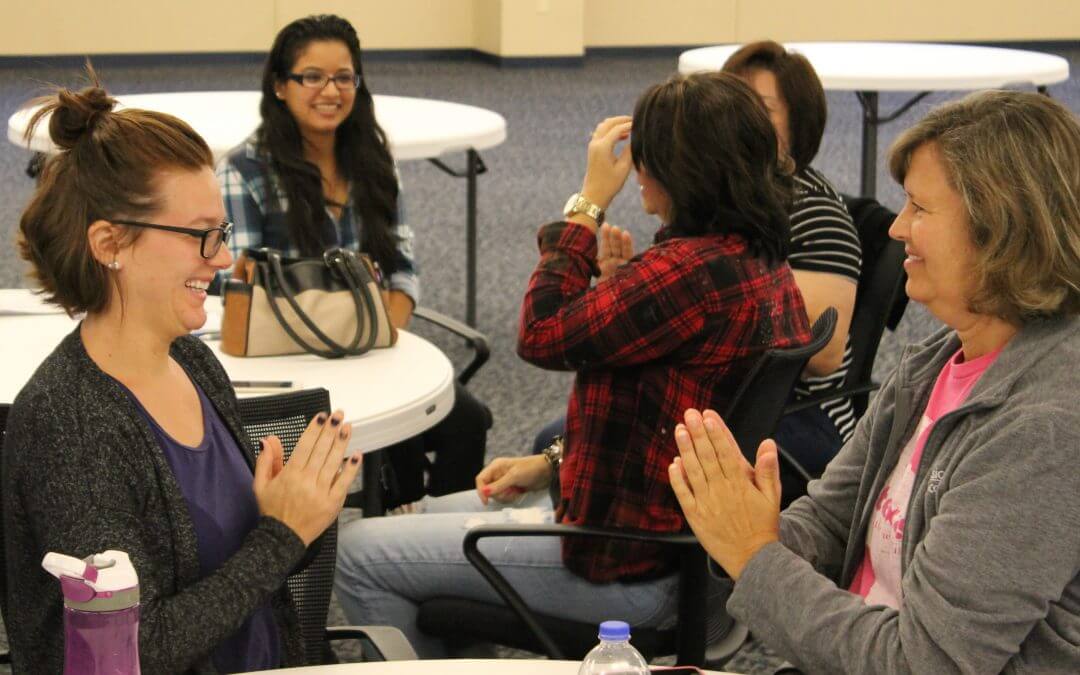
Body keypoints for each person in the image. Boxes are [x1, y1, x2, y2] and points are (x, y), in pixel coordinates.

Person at [335, 71, 812, 657]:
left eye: (646, 157)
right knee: (425, 513)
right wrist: (550, 461)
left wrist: (586, 204)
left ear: (679, 169)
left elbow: (540, 333)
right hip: (675, 548)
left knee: (359, 552)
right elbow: (660, 420)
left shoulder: (687, 271)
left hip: (623, 562)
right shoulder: (761, 259)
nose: (636, 171)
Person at [669, 90, 1080, 672]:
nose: (897, 229)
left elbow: (921, 664)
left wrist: (754, 554)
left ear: (1000, 227)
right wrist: (740, 527)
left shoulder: (1047, 430)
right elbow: (833, 520)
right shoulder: (939, 359)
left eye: (919, 207)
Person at [2, 75, 362, 673]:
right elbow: (134, 650)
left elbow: (251, 576)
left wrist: (302, 513)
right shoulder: (70, 425)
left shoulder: (192, 360)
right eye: (201, 235)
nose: (222, 258)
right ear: (110, 243)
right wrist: (282, 537)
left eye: (219, 234)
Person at [530, 42, 863, 506]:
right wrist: (633, 293)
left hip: (794, 420)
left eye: (755, 108)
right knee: (549, 444)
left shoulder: (780, 226)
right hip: (709, 446)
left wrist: (588, 204)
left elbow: (541, 332)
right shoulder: (747, 231)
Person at [215, 13, 489, 505]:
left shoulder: (373, 161)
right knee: (377, 433)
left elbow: (402, 266)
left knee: (466, 421)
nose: (331, 91)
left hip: (371, 341)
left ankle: (430, 543)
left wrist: (386, 331)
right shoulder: (246, 169)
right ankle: (388, 521)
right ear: (280, 86)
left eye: (344, 77)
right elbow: (240, 284)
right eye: (312, 77)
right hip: (289, 354)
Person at [722, 41, 861, 503]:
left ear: (796, 124)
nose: (736, 119)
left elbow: (820, 353)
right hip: (730, 397)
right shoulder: (728, 200)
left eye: (757, 108)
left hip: (797, 414)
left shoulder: (813, 211)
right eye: (728, 102)